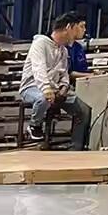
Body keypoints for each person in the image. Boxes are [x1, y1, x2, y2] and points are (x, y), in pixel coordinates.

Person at [20, 11, 92, 149]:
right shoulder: (40, 44)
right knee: (44, 98)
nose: (84, 31)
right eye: (81, 26)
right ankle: (34, 125)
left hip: (54, 89)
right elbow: (39, 68)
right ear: (69, 27)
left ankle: (75, 148)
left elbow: (64, 74)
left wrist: (64, 88)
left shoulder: (63, 50)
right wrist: (46, 88)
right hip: (32, 87)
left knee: (83, 110)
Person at [67, 12, 90, 80]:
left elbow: (83, 69)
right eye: (81, 26)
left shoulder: (79, 48)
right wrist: (91, 75)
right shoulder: (62, 47)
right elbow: (68, 73)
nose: (84, 30)